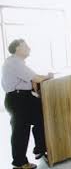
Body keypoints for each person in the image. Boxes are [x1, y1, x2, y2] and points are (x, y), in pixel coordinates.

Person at [1, 39, 53, 169]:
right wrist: (48, 76)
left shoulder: (18, 62)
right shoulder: (14, 63)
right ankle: (19, 163)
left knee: (40, 119)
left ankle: (40, 148)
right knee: (21, 131)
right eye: (26, 46)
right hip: (18, 99)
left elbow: (32, 79)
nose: (29, 48)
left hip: (22, 97)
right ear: (18, 48)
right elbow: (36, 78)